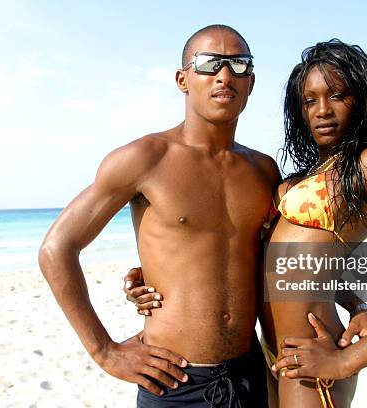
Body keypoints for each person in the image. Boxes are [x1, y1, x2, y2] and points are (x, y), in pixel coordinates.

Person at [129, 39, 367, 408]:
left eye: (337, 95)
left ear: (363, 99)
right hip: (266, 360)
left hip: (313, 367)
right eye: (309, 100)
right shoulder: (296, 178)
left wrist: (347, 360)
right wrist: (357, 305)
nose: (322, 110)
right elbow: (303, 264)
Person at [39, 24, 280, 407]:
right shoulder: (145, 158)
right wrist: (105, 351)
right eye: (209, 63)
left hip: (248, 375)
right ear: (183, 80)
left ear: (251, 82)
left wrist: (356, 305)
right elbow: (57, 249)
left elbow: (281, 260)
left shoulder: (263, 171)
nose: (224, 75)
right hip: (174, 383)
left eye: (238, 64)